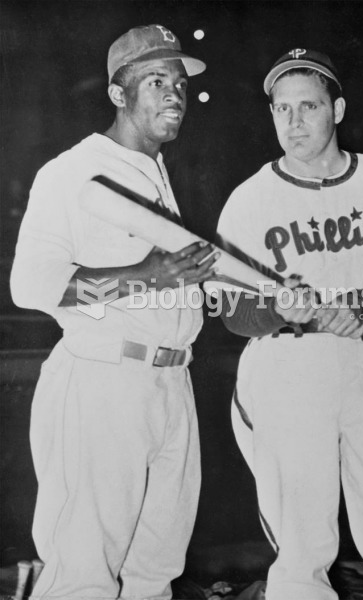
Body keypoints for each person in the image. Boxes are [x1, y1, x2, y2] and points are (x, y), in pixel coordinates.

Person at [215, 48, 363, 599]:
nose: (294, 123)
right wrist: (278, 308)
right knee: (299, 541)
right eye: (282, 109)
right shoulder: (250, 199)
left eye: (309, 106)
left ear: (338, 109)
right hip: (288, 368)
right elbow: (231, 311)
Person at [10, 24, 219, 600]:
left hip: (172, 384)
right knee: (84, 572)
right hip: (104, 381)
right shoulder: (72, 171)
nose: (174, 93)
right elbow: (31, 286)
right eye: (156, 80)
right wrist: (145, 277)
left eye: (178, 82)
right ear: (118, 94)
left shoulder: (156, 174)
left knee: (154, 572)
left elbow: (170, 285)